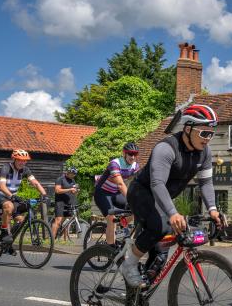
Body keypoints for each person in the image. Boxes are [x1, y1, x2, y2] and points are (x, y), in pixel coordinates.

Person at [119, 105, 222, 292]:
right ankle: (129, 264)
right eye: (205, 133)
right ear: (188, 128)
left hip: (163, 199)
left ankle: (141, 301)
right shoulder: (166, 148)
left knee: (160, 255)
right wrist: (173, 213)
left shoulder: (205, 153)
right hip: (142, 193)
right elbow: (157, 184)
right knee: (161, 227)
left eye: (212, 134)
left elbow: (206, 183)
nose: (208, 139)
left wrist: (213, 210)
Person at [0, 150, 48, 245]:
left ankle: (8, 242)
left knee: (22, 220)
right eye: (20, 160)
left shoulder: (25, 170)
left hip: (11, 197)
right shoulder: (6, 168)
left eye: (25, 160)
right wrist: (12, 196)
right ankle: (4, 232)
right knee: (9, 206)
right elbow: (2, 186)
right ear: (14, 159)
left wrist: (44, 195)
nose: (22, 162)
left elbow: (35, 183)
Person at [94, 143, 140, 247]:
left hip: (116, 194)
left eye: (135, 154)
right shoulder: (115, 164)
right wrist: (131, 198)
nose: (132, 157)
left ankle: (119, 226)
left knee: (136, 210)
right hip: (102, 193)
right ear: (124, 153)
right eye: (130, 154)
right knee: (111, 218)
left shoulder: (135, 166)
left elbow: (139, 183)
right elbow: (120, 184)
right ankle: (110, 248)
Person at [51, 166, 79, 240]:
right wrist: (70, 189)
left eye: (74, 174)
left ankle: (65, 239)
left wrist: (75, 191)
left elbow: (73, 192)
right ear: (68, 172)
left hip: (69, 202)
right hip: (60, 202)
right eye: (72, 173)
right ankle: (51, 240)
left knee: (66, 221)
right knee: (58, 221)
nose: (73, 175)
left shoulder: (73, 181)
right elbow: (57, 190)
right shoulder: (60, 179)